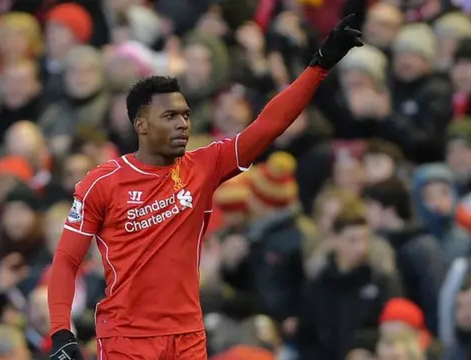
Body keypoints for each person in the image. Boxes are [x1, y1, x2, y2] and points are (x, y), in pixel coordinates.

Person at [47, 14, 364, 360]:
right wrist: (61, 333)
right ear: (141, 124)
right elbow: (65, 260)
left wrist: (319, 66)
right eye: (170, 116)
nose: (183, 123)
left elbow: (270, 124)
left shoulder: (205, 165)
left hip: (188, 337)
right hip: (128, 339)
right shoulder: (101, 183)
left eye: (185, 114)